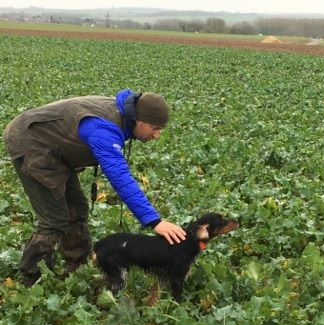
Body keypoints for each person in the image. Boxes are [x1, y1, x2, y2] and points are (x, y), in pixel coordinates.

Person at [3, 89, 186, 286]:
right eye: (155, 127)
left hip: (55, 149)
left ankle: (76, 266)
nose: (157, 135)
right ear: (139, 120)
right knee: (54, 219)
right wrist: (154, 221)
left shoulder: (125, 115)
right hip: (30, 142)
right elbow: (120, 177)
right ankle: (30, 280)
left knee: (77, 208)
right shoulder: (103, 130)